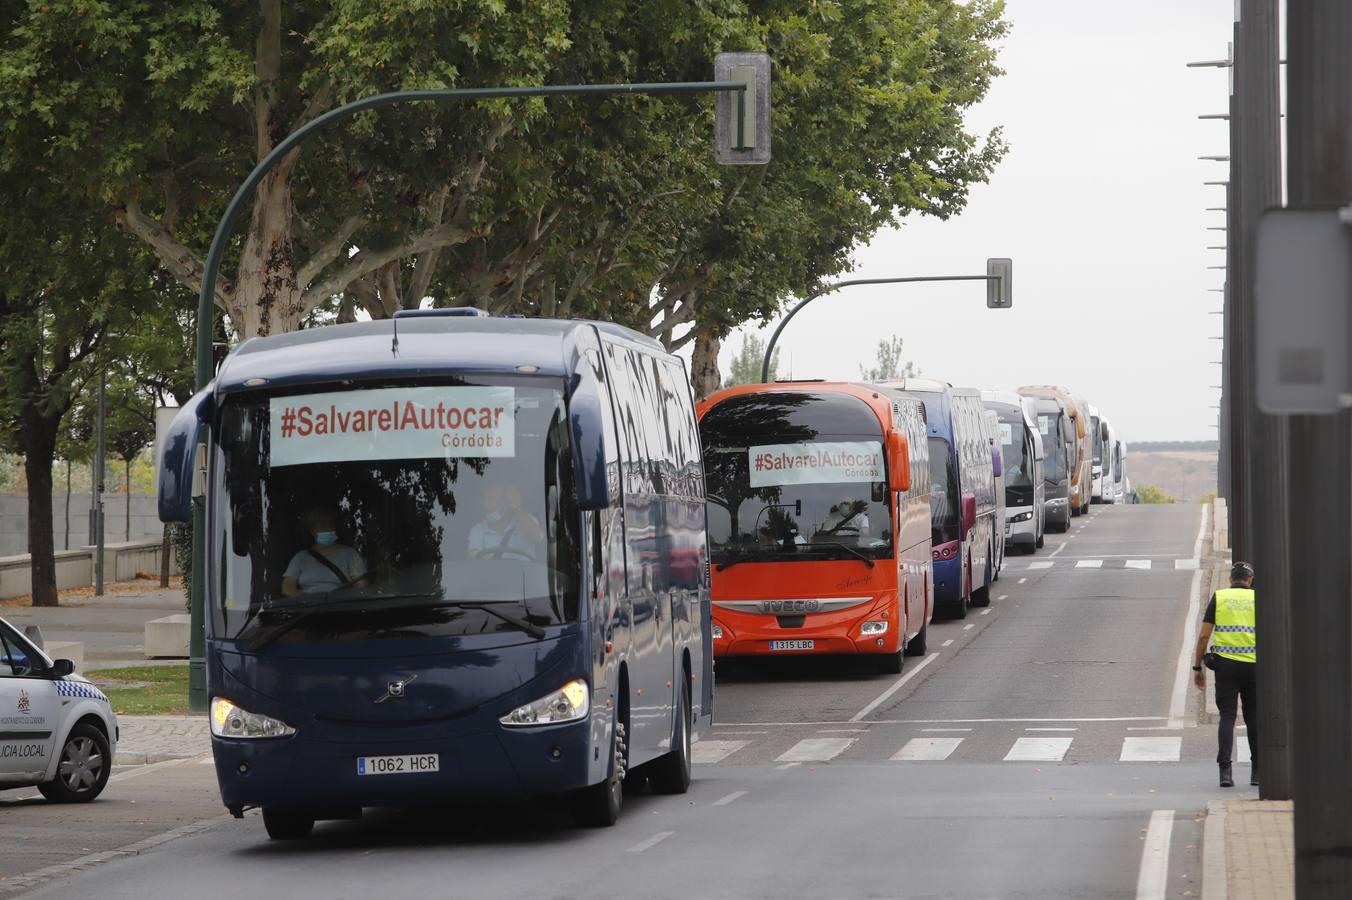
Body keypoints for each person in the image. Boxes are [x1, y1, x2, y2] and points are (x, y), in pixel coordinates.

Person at [1193, 560, 1257, 788]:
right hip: (1253, 665)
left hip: (1226, 667)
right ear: (1250, 580)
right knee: (1253, 717)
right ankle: (1257, 771)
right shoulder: (1258, 598)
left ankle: (1225, 772)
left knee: (1227, 716)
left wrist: (1197, 667)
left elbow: (1203, 636)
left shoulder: (1220, 597)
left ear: (1231, 579)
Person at [281, 509, 368, 597]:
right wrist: (308, 601)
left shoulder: (350, 554)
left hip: (342, 605)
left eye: (330, 525)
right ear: (312, 531)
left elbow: (361, 586)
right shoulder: (301, 557)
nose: (328, 529)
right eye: (322, 525)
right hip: (308, 608)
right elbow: (287, 588)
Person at [468, 484, 545, 561]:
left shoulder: (526, 520)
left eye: (491, 499)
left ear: (507, 503)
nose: (485, 504)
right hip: (492, 572)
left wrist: (516, 509)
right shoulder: (478, 529)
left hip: (524, 573)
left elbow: (537, 537)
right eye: (485, 500)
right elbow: (472, 556)